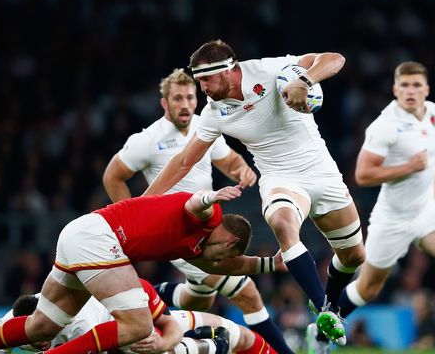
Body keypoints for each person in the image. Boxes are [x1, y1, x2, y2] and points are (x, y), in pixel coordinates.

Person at [143, 40, 366, 348]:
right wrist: (142, 203)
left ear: (229, 70)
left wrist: (306, 79)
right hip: (279, 179)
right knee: (284, 226)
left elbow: (335, 57)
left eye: (206, 79)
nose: (203, 88)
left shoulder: (268, 70)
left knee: (354, 256)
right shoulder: (213, 113)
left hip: (322, 173)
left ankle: (326, 310)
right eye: (199, 81)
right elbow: (183, 161)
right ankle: (326, 311)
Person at [0, 187, 285, 354]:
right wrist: (211, 196)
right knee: (137, 324)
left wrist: (272, 263)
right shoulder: (209, 220)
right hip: (100, 239)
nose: (218, 263)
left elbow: (232, 263)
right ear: (230, 241)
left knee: (43, 325)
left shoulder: (192, 249)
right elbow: (193, 204)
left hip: (79, 236)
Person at [103, 68, 292, 354]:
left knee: (200, 299)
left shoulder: (204, 129)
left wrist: (241, 170)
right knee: (248, 293)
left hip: (206, 228)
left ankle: (156, 293)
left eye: (190, 97)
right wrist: (132, 218)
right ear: (165, 103)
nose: (185, 104)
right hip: (176, 233)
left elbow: (228, 160)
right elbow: (112, 176)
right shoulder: (148, 139)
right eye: (177, 98)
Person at [334, 61, 435, 354]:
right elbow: (362, 175)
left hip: (426, 211)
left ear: (426, 89)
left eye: (416, 85)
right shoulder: (385, 126)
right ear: (395, 90)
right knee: (368, 288)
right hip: (392, 218)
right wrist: (408, 167)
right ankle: (322, 329)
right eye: (404, 85)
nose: (410, 91)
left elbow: (432, 150)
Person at [0, 279, 276, 354]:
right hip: (124, 325)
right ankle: (209, 345)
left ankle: (210, 346)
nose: (41, 342)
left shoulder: (78, 323)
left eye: (44, 336)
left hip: (122, 330)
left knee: (141, 345)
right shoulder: (10, 326)